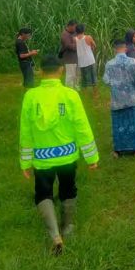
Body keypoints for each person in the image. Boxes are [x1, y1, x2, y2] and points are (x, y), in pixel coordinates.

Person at [19, 55, 99, 255]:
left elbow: (25, 132)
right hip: (67, 157)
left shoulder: (31, 96)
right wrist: (91, 157)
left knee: (43, 193)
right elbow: (82, 128)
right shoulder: (70, 95)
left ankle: (55, 235)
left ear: (40, 72)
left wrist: (25, 162)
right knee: (68, 190)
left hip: (41, 158)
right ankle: (68, 227)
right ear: (61, 70)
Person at [103, 39, 135, 157]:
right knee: (132, 123)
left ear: (115, 49)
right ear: (125, 48)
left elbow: (105, 80)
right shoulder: (133, 62)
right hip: (131, 98)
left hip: (117, 99)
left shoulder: (109, 64)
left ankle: (118, 150)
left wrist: (115, 84)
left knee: (118, 124)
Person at [75, 24, 98, 98]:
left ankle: (84, 95)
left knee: (84, 78)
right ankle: (95, 94)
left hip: (81, 61)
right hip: (90, 60)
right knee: (93, 77)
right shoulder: (88, 37)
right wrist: (92, 48)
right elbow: (94, 45)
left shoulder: (74, 39)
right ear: (83, 30)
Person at [60, 20, 79, 89]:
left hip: (76, 58)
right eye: (74, 27)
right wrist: (79, 46)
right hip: (69, 58)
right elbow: (68, 45)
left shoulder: (75, 33)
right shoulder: (65, 34)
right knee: (70, 75)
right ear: (70, 26)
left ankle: (76, 88)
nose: (75, 28)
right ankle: (69, 89)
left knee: (77, 75)